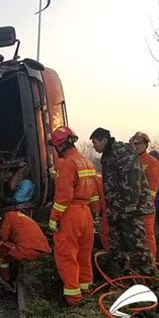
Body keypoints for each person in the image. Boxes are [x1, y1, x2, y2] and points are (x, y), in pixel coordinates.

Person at [89, 127, 155, 276]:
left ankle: (150, 278)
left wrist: (130, 205)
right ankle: (121, 277)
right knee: (116, 246)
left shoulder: (122, 151)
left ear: (104, 140)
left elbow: (132, 178)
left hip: (129, 209)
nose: (93, 146)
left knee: (137, 245)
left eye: (95, 142)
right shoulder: (108, 155)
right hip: (117, 210)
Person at [48, 126, 99, 306]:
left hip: (71, 214)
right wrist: (95, 212)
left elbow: (64, 196)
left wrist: (54, 218)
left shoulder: (67, 164)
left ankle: (74, 300)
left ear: (60, 146)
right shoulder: (86, 161)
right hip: (86, 215)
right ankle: (86, 292)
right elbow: (93, 192)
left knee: (67, 257)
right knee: (84, 256)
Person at [129, 132, 159, 259]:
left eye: (139, 143)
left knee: (147, 235)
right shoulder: (131, 161)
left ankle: (150, 262)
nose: (135, 146)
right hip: (132, 206)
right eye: (133, 143)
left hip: (144, 207)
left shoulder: (152, 162)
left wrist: (145, 204)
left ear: (146, 145)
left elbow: (152, 188)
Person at [0, 210, 51, 282]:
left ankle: (5, 280)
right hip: (44, 252)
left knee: (2, 249)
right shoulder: (25, 218)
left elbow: (3, 236)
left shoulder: (9, 215)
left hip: (27, 250)